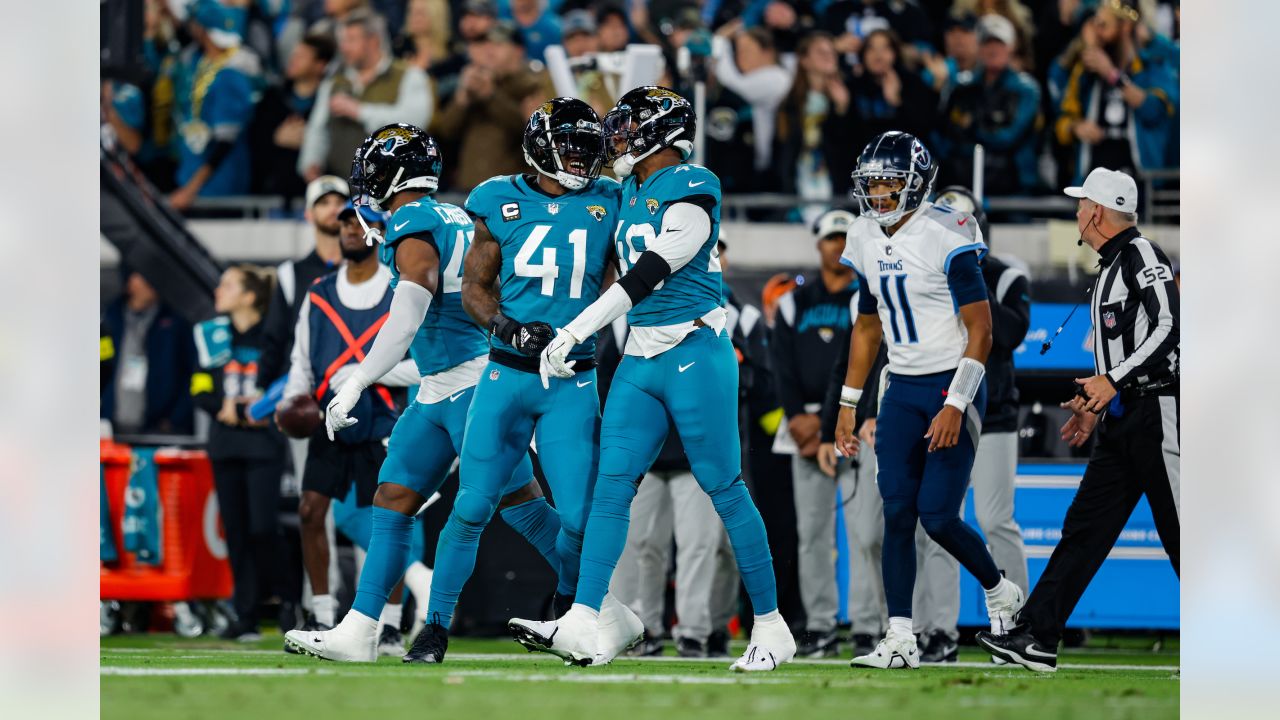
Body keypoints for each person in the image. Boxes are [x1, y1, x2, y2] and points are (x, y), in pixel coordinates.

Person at [516, 86, 796, 672]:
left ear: (658, 132)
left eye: (625, 127)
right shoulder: (627, 190)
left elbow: (649, 271)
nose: (615, 139)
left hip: (694, 348)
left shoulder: (693, 183)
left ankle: (772, 625)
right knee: (611, 487)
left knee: (724, 486)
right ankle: (588, 619)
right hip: (642, 356)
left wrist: (575, 331)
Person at [285, 123, 562, 663]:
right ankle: (362, 628)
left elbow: (409, 312)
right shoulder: (450, 213)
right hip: (440, 387)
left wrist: (360, 379)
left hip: (472, 385)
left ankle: (597, 602)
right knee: (391, 499)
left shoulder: (412, 217)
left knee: (522, 508)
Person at [426, 97, 638, 664]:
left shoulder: (611, 199)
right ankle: (435, 626)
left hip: (573, 378)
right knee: (471, 504)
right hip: (507, 373)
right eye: (567, 145)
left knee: (578, 516)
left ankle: (569, 606)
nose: (577, 158)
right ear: (539, 144)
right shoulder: (497, 198)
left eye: (586, 149)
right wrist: (507, 327)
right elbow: (474, 288)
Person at [832, 131, 1024, 670]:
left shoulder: (949, 230)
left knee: (937, 517)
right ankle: (899, 638)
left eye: (889, 180)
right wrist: (848, 404)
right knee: (897, 513)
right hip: (901, 386)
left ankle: (999, 589)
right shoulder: (865, 234)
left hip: (950, 381)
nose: (878, 192)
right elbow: (868, 327)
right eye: (870, 183)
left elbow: (982, 331)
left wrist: (956, 403)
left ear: (916, 182)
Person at [977, 168, 1179, 673]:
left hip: (1158, 410)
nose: (1076, 214)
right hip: (1124, 416)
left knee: (1182, 529)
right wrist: (1095, 405)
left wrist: (1113, 383)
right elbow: (1117, 354)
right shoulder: (1110, 266)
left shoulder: (1142, 255)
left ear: (1096, 211)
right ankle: (1038, 636)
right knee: (1083, 529)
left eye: (1080, 205)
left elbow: (1172, 323)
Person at [279, 202, 425, 654]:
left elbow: (424, 366)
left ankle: (392, 622)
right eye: (344, 222)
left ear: (382, 235)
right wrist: (292, 400)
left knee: (391, 516)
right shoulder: (319, 292)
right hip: (328, 419)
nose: (349, 229)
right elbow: (302, 359)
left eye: (360, 223)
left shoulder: (402, 289)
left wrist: (368, 374)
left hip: (382, 419)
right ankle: (321, 610)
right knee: (309, 510)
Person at [906, 185, 1032, 664]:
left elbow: (1010, 333)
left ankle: (1019, 628)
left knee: (996, 520)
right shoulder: (922, 272)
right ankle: (937, 630)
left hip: (991, 412)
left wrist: (968, 280)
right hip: (940, 411)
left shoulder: (1003, 275)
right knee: (937, 522)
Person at [768, 210, 863, 658]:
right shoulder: (794, 302)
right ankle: (821, 625)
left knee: (867, 532)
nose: (837, 246)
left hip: (859, 423)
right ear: (818, 245)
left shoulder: (869, 296)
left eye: (845, 238)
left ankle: (869, 624)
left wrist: (828, 421)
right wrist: (796, 418)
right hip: (805, 427)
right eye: (830, 238)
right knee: (812, 534)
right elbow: (779, 365)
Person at [191, 265, 286, 641]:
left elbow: (288, 382)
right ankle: (245, 615)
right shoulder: (212, 334)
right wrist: (223, 405)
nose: (219, 290)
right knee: (236, 532)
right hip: (226, 443)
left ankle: (291, 600)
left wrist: (260, 408)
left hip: (264, 444)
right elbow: (198, 386)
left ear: (249, 296)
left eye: (228, 285)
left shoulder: (272, 335)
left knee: (264, 528)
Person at [1050, 0, 1178, 184]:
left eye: (1103, 25)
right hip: (1092, 184)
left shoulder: (1153, 67)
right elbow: (1061, 118)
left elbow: (1155, 111)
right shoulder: (1087, 73)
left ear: (1125, 26)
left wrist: (1112, 75)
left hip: (1139, 187)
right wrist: (1076, 128)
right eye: (1095, 25)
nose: (1097, 32)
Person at [298, 9, 432, 181]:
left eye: (351, 40)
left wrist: (360, 111)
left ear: (373, 41)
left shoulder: (409, 75)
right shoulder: (334, 82)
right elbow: (318, 129)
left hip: (395, 193)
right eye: (343, 41)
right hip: (343, 192)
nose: (344, 48)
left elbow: (414, 126)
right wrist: (311, 162)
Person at [159, 0, 263, 208]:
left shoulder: (231, 75)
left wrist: (191, 188)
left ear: (202, 30)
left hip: (217, 186)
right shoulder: (200, 63)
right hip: (193, 174)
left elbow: (225, 142)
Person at [429, 22, 550, 189]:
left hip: (510, 191)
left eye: (499, 44)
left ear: (518, 51)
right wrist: (461, 99)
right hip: (467, 189)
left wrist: (490, 96)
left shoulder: (532, 85)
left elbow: (531, 133)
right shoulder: (478, 82)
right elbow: (446, 130)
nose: (490, 51)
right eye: (487, 45)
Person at [936, 14, 1041, 195]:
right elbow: (946, 134)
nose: (993, 49)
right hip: (963, 184)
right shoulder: (961, 87)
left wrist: (972, 127)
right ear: (978, 47)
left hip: (1014, 189)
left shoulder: (1026, 89)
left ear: (1011, 47)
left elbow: (1008, 138)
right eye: (987, 43)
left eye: (999, 43)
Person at [101, 270, 196, 436]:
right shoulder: (109, 319)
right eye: (143, 277)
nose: (151, 282)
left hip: (159, 428)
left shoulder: (174, 322)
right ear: (130, 282)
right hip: (110, 423)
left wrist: (175, 419)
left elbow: (190, 373)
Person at [250, 32, 337, 199]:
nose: (293, 60)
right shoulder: (272, 98)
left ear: (320, 65)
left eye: (302, 56)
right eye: (294, 54)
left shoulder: (333, 102)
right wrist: (275, 138)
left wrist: (312, 140)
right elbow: (253, 140)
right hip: (273, 194)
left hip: (321, 195)